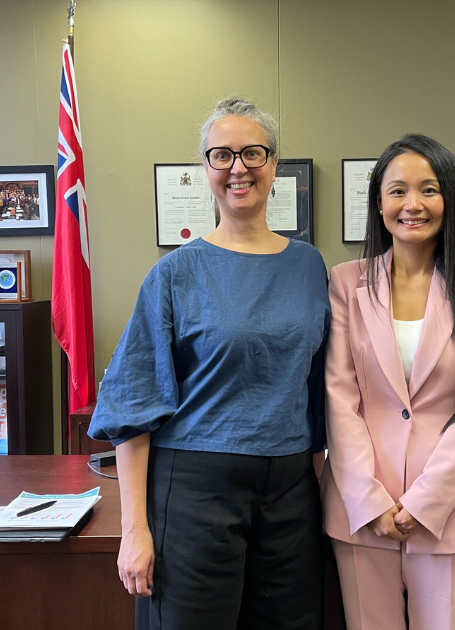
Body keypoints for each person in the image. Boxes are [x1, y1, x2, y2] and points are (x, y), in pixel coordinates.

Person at [89, 97, 330, 630]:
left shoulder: (310, 266)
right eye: (221, 155)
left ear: (274, 164)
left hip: (291, 491)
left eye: (252, 153)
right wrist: (135, 530)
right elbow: (133, 405)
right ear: (205, 169)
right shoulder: (175, 274)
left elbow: (316, 390)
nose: (237, 167)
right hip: (196, 488)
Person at [321, 133, 455, 630]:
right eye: (397, 190)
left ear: (450, 198)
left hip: (453, 505)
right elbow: (341, 399)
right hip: (363, 508)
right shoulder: (346, 281)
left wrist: (426, 501)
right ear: (379, 203)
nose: (413, 204)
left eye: (429, 189)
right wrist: (370, 499)